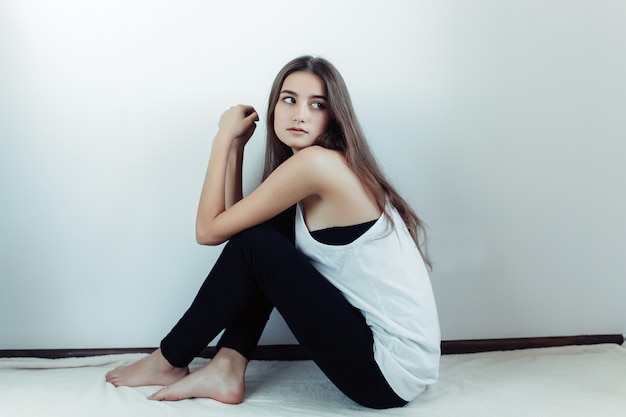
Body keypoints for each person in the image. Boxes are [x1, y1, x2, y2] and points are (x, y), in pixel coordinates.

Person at [105, 55, 440, 409]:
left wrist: (221, 139)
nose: (300, 114)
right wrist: (237, 147)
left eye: (317, 105)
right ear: (274, 106)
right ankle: (227, 366)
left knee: (259, 244)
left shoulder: (317, 165)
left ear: (333, 116)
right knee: (262, 236)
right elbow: (240, 228)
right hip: (391, 364)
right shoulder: (317, 170)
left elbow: (208, 231)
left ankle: (169, 360)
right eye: (289, 99)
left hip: (386, 374)